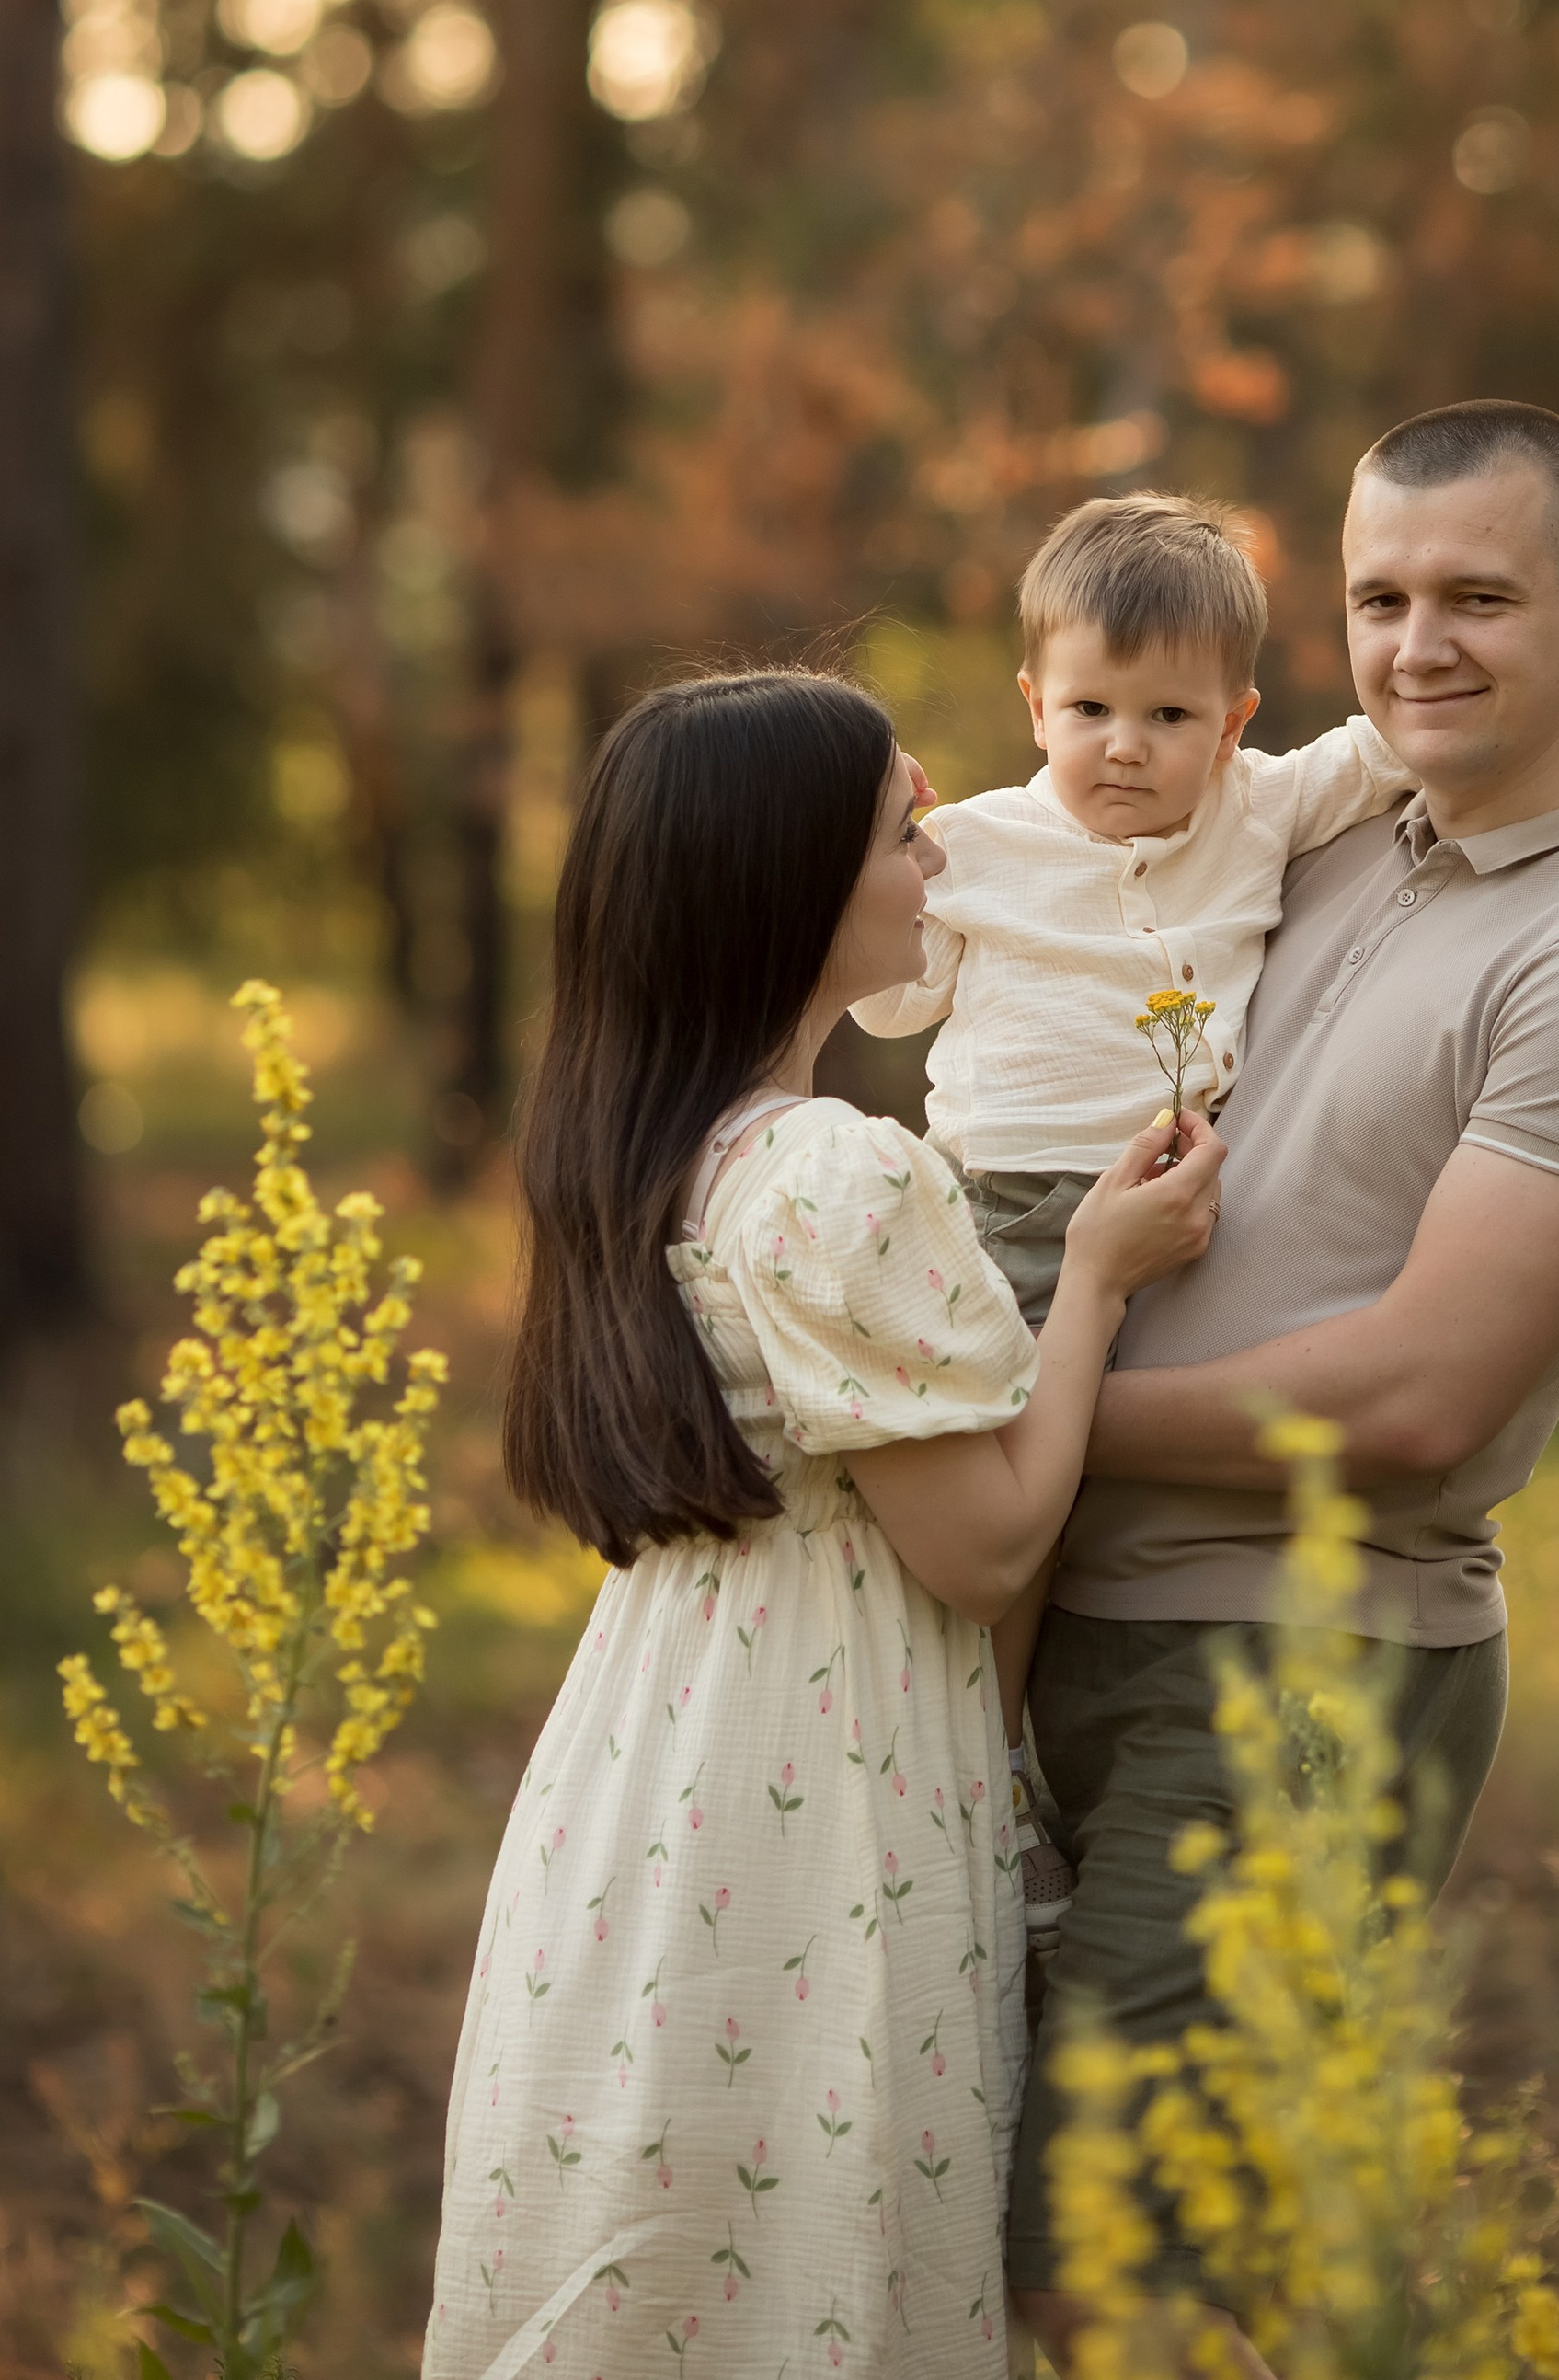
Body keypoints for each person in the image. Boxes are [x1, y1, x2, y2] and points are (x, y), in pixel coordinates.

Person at [1004, 403, 1559, 2374]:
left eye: (1477, 598)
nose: (1418, 645)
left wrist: (1005, 1432)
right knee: (1015, 2241)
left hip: (1303, 1676)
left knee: (1115, 2285)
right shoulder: (1322, 844)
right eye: (1381, 597)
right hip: (1072, 1629)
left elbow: (1419, 1395)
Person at [422, 668, 1222, 2380]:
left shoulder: (651, 1152)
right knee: (812, 2254)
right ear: (791, 885)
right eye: (899, 827)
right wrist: (1091, 1277)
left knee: (664, 2266)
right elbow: (989, 1544)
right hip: (819, 1782)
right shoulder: (843, 1176)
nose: (939, 848)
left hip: (645, 1778)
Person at [850, 492, 1407, 1896]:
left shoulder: (1262, 802)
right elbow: (895, 1002)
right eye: (1091, 708)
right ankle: (981, 1774)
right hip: (1007, 1212)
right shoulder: (972, 845)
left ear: (1235, 720)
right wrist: (902, 866)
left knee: (1103, 1499)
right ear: (1034, 703)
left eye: (1170, 718)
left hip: (1181, 1224)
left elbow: (1391, 743)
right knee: (1006, 1496)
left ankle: (1024, 1769)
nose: (1126, 747)